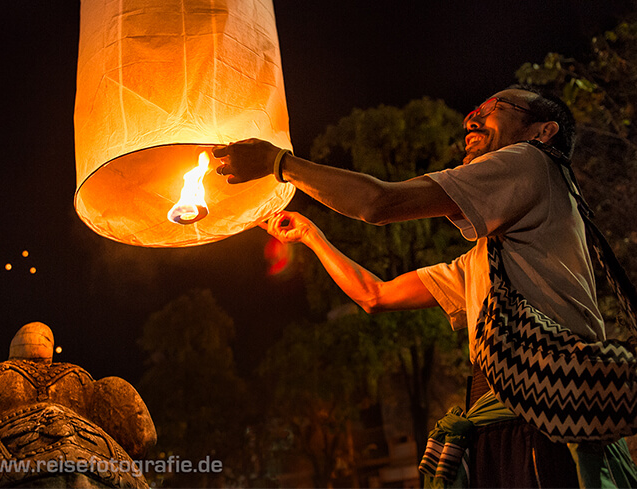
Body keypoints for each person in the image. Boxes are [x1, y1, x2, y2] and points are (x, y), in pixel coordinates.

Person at [213, 86, 632, 487]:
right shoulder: (487, 263)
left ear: (543, 132)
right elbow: (374, 295)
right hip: (510, 423)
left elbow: (379, 203)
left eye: (496, 107)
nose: (474, 115)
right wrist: (310, 236)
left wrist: (280, 164)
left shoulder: (533, 160)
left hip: (543, 424)